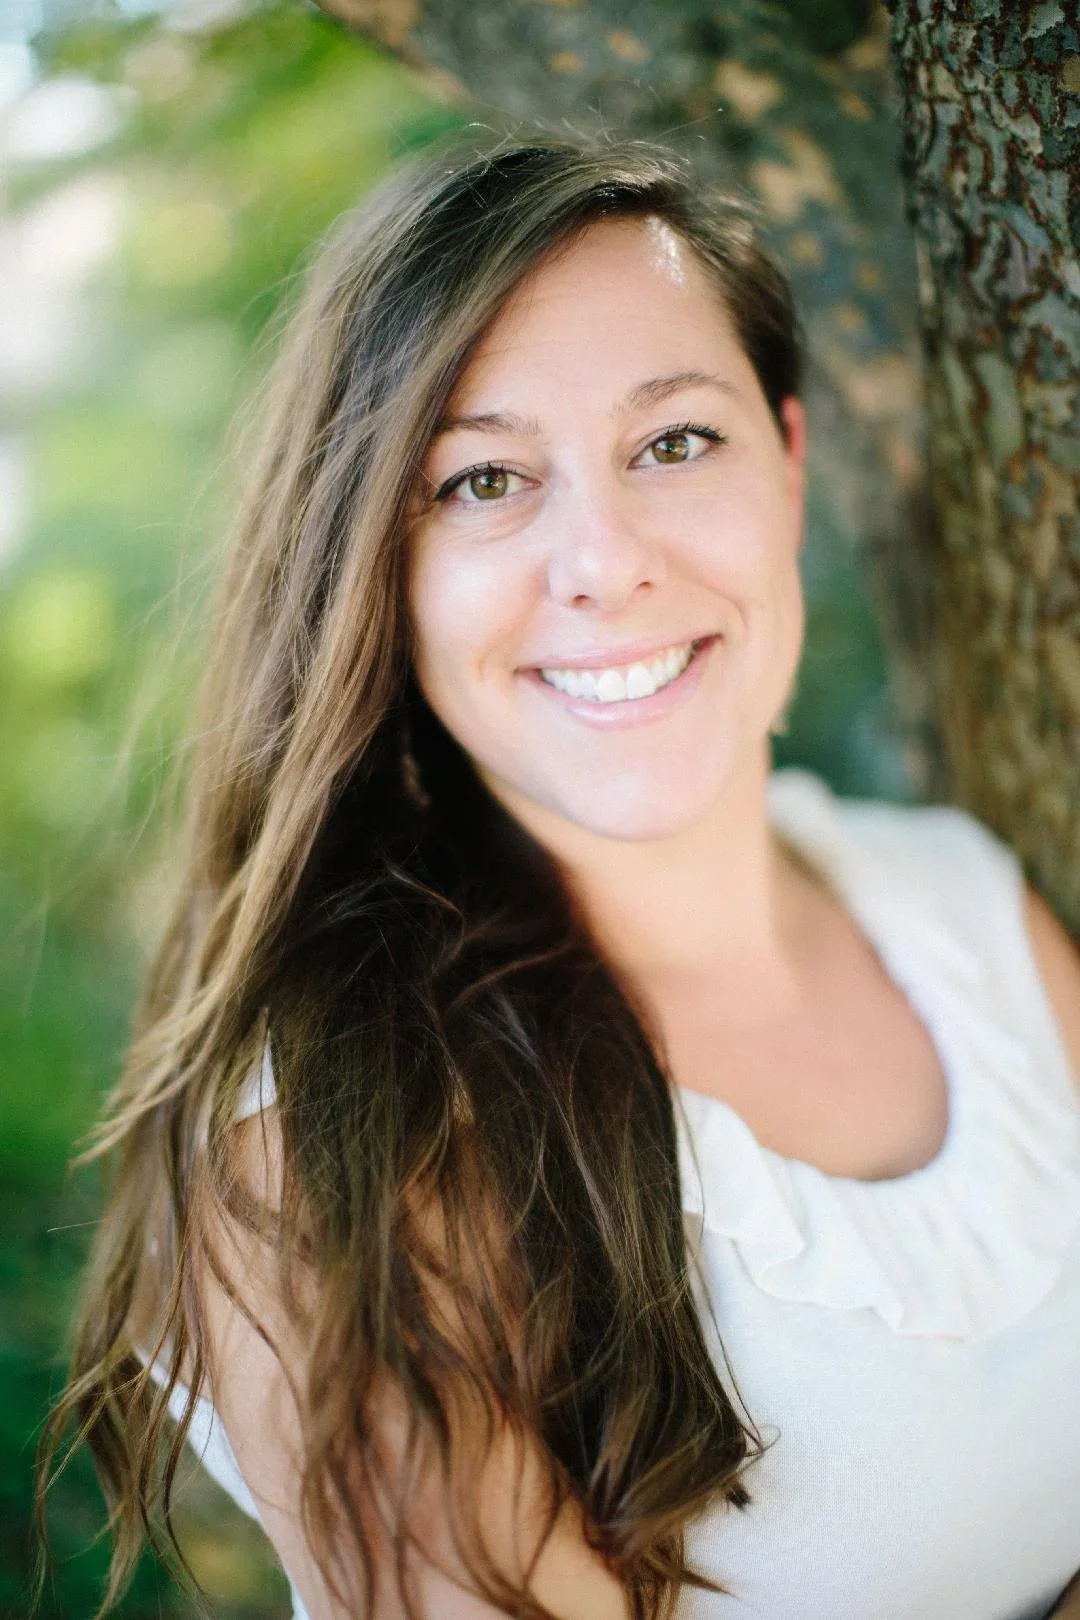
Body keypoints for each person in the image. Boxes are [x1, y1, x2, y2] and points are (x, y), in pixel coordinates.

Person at [38, 133, 1080, 1620]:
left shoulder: (964, 901)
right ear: (374, 571)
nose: (604, 560)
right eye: (482, 480)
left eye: (675, 443)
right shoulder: (335, 1146)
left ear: (788, 467)